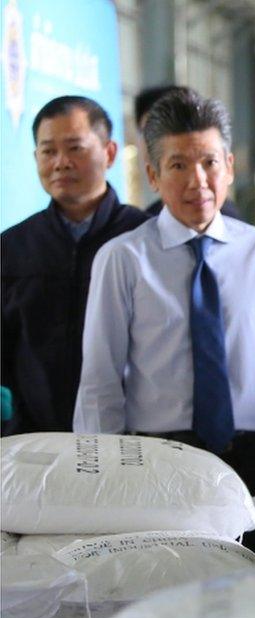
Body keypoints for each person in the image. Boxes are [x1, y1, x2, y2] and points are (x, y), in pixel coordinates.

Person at [74, 89, 255, 563]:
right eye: (177, 165)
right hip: (154, 465)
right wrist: (101, 488)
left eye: (210, 162)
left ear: (229, 167)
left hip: (246, 463)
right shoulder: (123, 259)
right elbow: (100, 384)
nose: (198, 181)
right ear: (152, 175)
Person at [1, 96, 146, 436]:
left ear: (109, 153)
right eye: (48, 151)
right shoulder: (13, 247)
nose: (61, 163)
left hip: (134, 443)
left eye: (75, 148)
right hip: (35, 443)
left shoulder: (144, 237)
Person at [134, 85, 242, 219]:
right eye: (148, 132)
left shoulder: (229, 221)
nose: (198, 181)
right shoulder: (144, 221)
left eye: (210, 162)